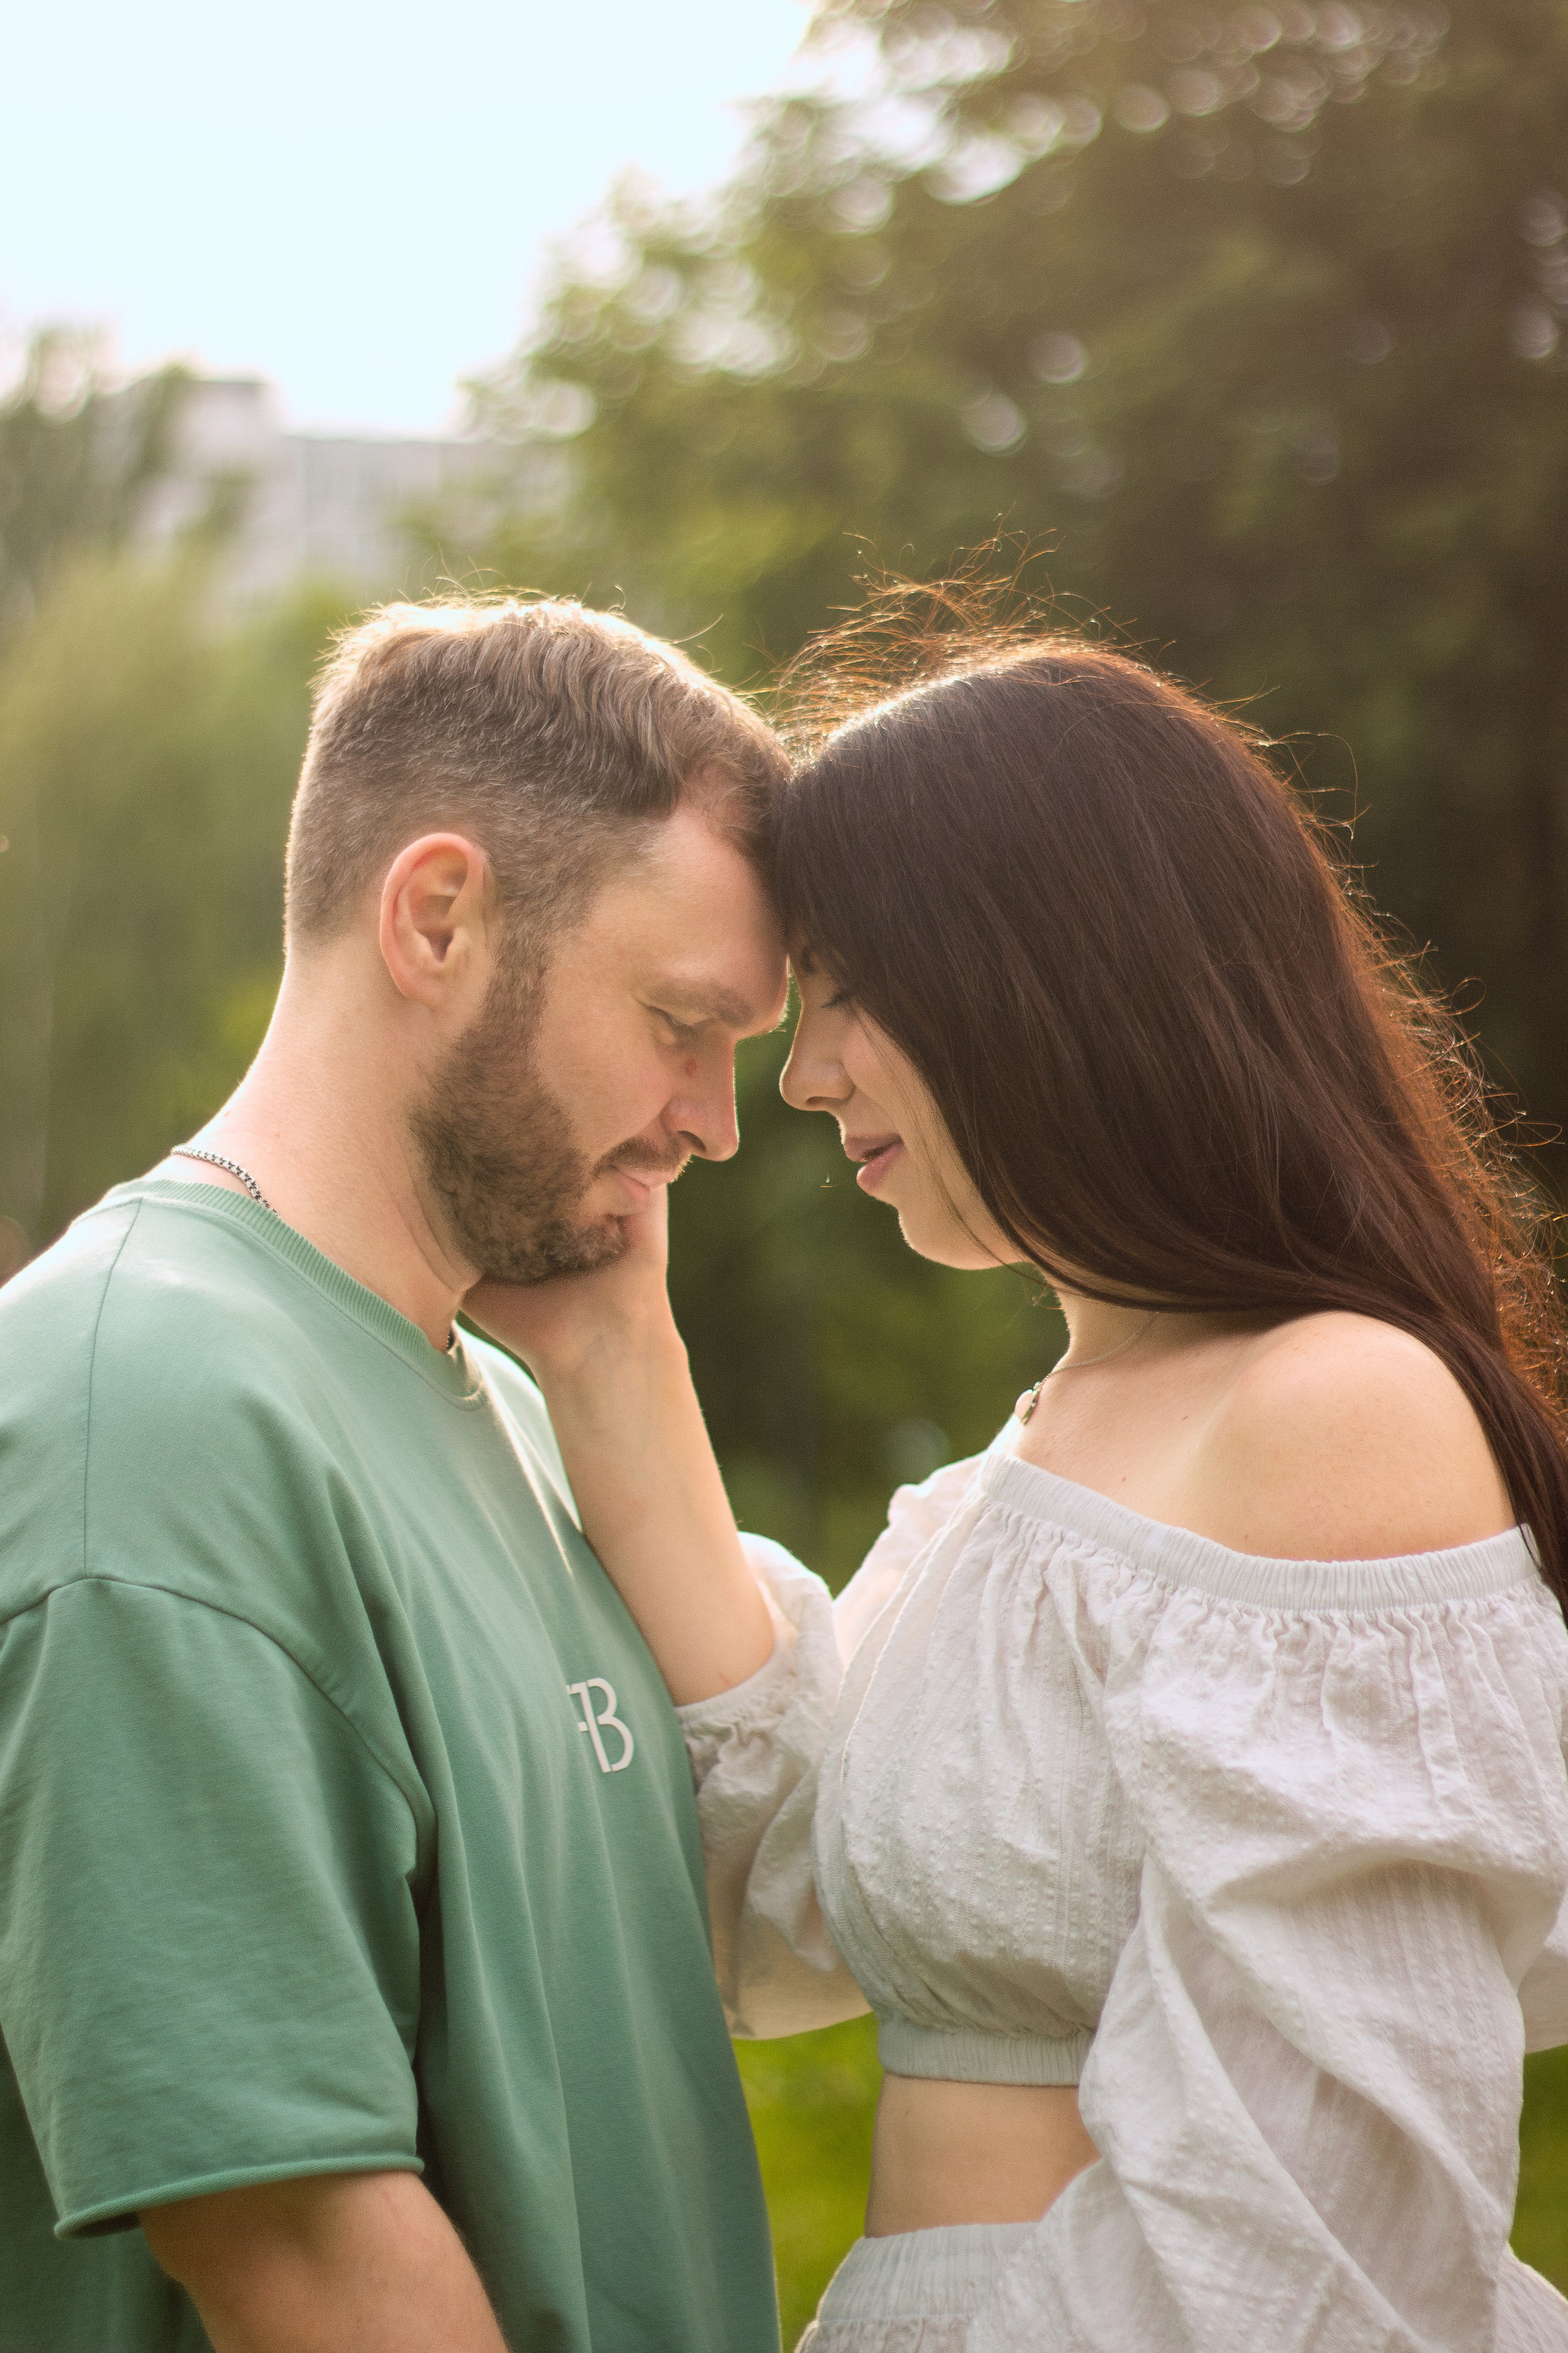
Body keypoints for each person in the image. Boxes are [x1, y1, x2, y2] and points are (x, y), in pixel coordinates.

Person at [475, 622, 1568, 2351]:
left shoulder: (1333, 1412)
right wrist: (615, 1347)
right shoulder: (1056, 1440)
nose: (805, 1069)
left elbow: (1320, 2231)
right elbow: (798, 1897)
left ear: (1042, 966)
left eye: (844, 985)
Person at [0, 597, 794, 2353]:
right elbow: (298, 2245)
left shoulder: (497, 1400)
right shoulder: (151, 1409)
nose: (716, 1119)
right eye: (683, 1019)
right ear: (438, 915)